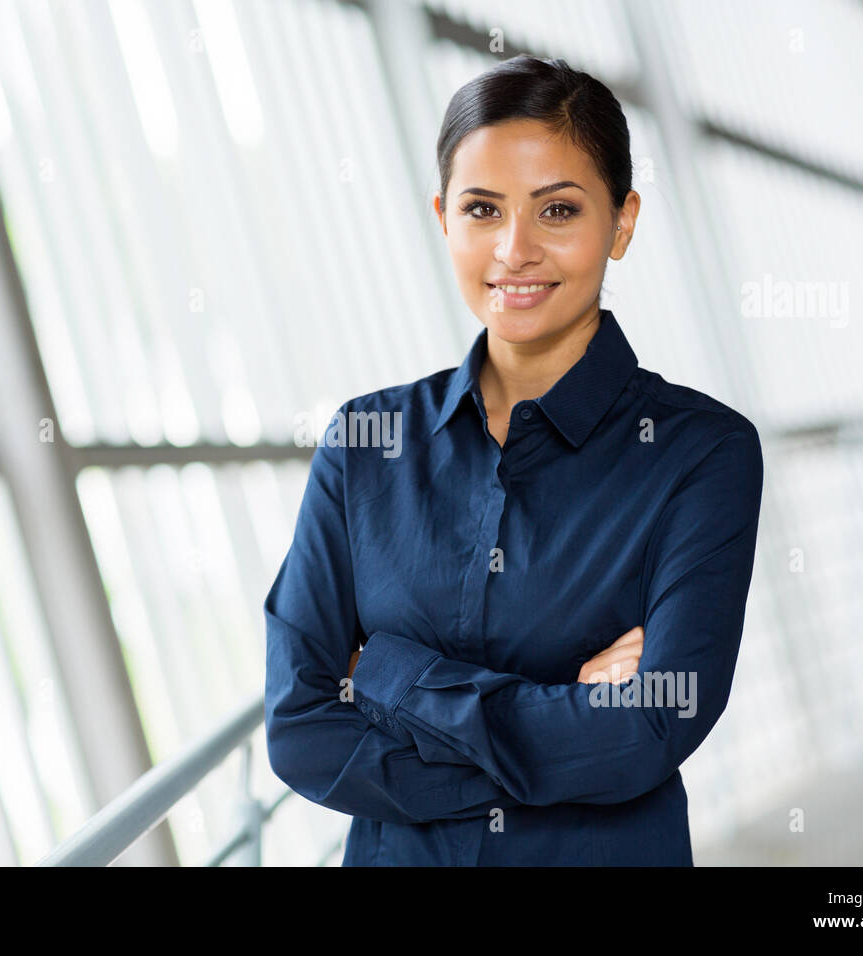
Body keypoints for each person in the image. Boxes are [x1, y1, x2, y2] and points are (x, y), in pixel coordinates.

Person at [263, 54, 764, 866]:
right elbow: (299, 729)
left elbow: (651, 726)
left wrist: (386, 675)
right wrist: (565, 715)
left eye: (558, 210)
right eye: (484, 210)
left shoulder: (701, 453)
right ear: (444, 220)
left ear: (623, 221)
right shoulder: (364, 444)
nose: (516, 248)